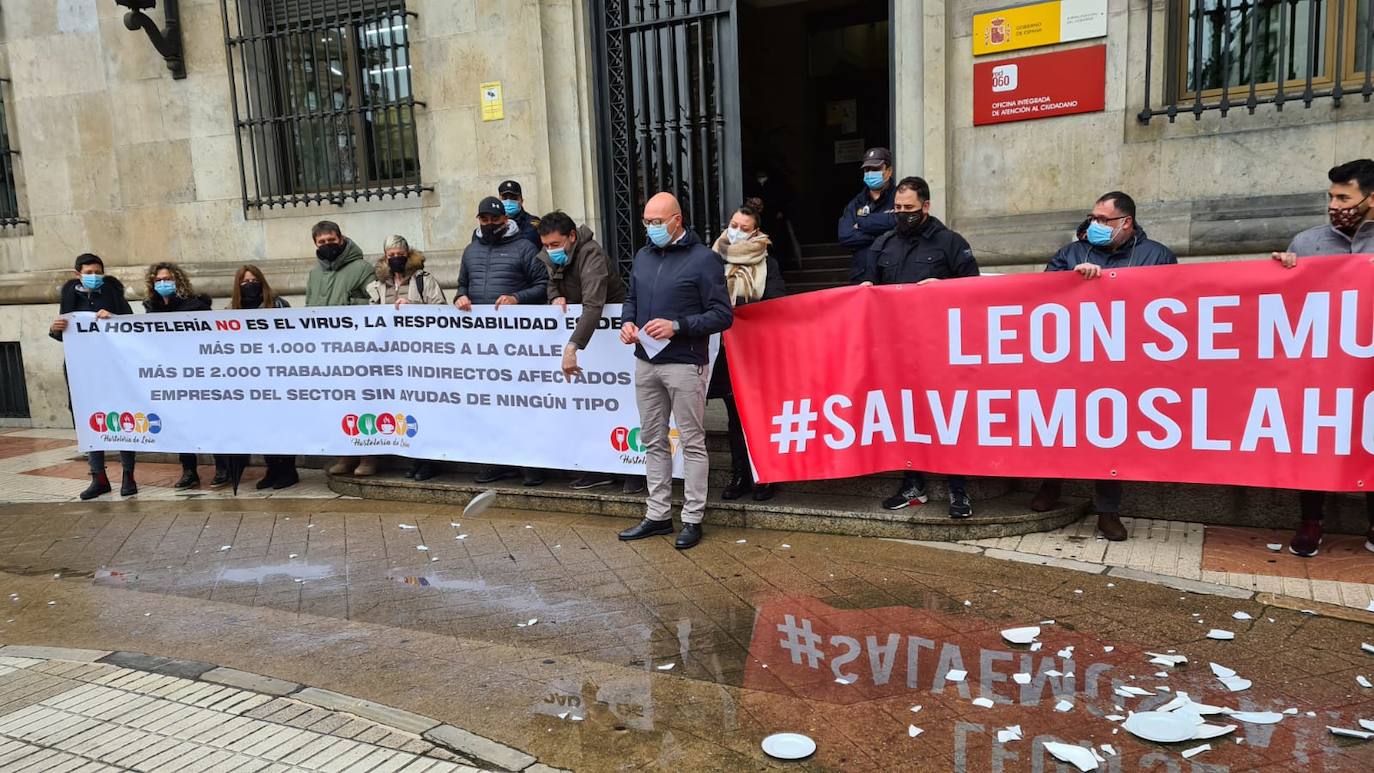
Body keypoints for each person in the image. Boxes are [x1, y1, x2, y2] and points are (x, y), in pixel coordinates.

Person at [1029, 191, 1178, 541]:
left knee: (1109, 437)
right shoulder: (1072, 253)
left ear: (1125, 222)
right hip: (1070, 360)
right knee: (1062, 424)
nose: (1094, 225)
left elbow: (1171, 304)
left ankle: (1107, 511)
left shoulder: (1157, 256)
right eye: (1093, 218)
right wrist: (1072, 283)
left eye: (1103, 220)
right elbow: (1039, 295)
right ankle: (1052, 483)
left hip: (1123, 366)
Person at [615, 192, 733, 550]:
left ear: (676, 220)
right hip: (645, 361)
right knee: (653, 441)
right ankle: (657, 515)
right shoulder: (643, 256)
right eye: (647, 222)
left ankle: (693, 518)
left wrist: (677, 326)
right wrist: (627, 323)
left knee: (693, 442)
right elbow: (632, 298)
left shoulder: (704, 260)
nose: (651, 228)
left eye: (657, 222)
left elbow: (722, 314)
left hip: (684, 363)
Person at [1271, 158, 1374, 557]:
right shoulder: (1308, 242)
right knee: (1315, 442)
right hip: (1321, 368)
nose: (1334, 204)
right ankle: (1311, 522)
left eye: (1343, 196)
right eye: (1331, 196)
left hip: (1367, 367)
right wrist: (1284, 275)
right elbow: (1285, 311)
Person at [859, 176, 979, 518]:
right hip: (897, 350)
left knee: (948, 418)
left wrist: (943, 289)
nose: (901, 214)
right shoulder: (883, 243)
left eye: (908, 208)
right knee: (905, 418)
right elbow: (869, 285)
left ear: (925, 206)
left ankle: (959, 490)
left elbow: (975, 293)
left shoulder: (951, 243)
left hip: (940, 349)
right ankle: (913, 485)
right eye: (896, 208)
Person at [534, 211, 639, 493]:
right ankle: (597, 467)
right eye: (546, 245)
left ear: (571, 237)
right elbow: (552, 280)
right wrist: (555, 294)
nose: (550, 250)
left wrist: (572, 347)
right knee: (591, 403)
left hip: (612, 337)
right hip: (588, 337)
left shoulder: (591, 255)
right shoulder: (554, 254)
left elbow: (594, 304)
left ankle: (634, 468)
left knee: (623, 402)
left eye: (555, 244)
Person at [456, 196, 550, 486]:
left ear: (505, 220)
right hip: (481, 346)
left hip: (517, 344)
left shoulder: (524, 248)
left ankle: (531, 464)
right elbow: (462, 284)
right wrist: (460, 297)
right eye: (483, 220)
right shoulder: (470, 251)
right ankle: (497, 461)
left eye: (494, 220)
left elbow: (544, 285)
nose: (489, 225)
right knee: (489, 404)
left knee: (522, 403)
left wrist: (516, 298)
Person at [710, 199, 787, 502]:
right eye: (733, 226)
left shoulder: (768, 262)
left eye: (744, 228)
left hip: (756, 351)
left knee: (760, 415)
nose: (737, 232)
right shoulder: (713, 258)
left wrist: (745, 311)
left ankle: (765, 475)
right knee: (733, 416)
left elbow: (777, 301)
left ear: (756, 232)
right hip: (725, 351)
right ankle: (740, 475)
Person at [49, 253, 137, 500]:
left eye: (98, 272)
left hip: (113, 367)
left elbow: (132, 328)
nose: (94, 277)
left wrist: (114, 319)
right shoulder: (69, 296)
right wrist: (54, 330)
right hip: (81, 369)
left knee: (122, 417)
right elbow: (65, 332)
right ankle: (98, 478)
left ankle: (128, 475)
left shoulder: (113, 294)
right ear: (78, 274)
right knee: (88, 419)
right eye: (88, 273)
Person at [368, 235, 447, 481]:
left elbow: (441, 310)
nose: (395, 259)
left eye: (399, 254)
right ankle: (414, 457)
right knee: (405, 408)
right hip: (393, 357)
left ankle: (429, 460)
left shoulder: (424, 280)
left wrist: (413, 305)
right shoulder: (378, 285)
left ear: (408, 253)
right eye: (390, 255)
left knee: (425, 406)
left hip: (421, 354)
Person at [218, 265, 299, 491]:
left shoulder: (279, 305)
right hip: (249, 378)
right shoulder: (232, 310)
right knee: (261, 424)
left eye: (253, 280)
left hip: (277, 374)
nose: (249, 285)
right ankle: (272, 467)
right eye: (244, 282)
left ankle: (288, 469)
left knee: (281, 423)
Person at [306, 221, 376, 477]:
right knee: (338, 405)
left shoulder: (362, 268)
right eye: (321, 242)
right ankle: (345, 454)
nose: (327, 245)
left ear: (341, 238)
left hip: (357, 349)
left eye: (331, 240)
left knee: (363, 403)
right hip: (327, 351)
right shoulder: (314, 274)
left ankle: (369, 455)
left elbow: (373, 304)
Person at [142, 262, 213, 490]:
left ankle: (222, 466)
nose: (164, 283)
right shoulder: (151, 309)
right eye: (159, 280)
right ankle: (189, 470)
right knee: (180, 424)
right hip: (170, 375)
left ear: (178, 280)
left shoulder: (196, 306)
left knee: (208, 420)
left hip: (197, 372)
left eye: (168, 279)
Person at [837, 147, 897, 283]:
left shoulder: (899, 198)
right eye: (867, 170)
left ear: (888, 171)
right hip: (862, 277)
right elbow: (845, 236)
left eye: (875, 169)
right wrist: (882, 233)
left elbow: (900, 226)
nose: (870, 173)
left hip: (891, 276)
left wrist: (862, 224)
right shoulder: (856, 203)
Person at [497, 180, 543, 249]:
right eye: (505, 198)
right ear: (499, 201)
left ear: (521, 200)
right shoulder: (493, 222)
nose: (509, 201)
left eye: (514, 198)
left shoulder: (533, 222)